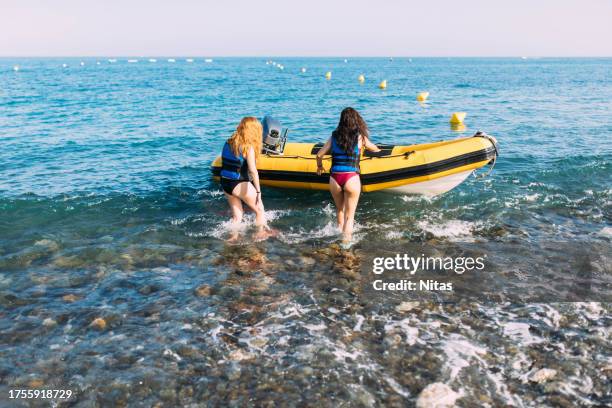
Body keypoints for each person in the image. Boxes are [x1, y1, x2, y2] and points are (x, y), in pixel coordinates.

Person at [316, 108, 381, 243]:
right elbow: (375, 149)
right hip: (351, 178)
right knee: (349, 217)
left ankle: (339, 235)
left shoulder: (334, 136)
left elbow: (319, 154)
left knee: (340, 210)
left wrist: (320, 166)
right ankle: (345, 245)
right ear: (355, 120)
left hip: (335, 178)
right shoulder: (360, 137)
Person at [220, 117, 268, 236]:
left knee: (237, 217)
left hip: (225, 183)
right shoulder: (248, 147)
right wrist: (258, 193)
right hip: (238, 183)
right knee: (259, 210)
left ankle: (232, 239)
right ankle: (260, 235)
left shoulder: (229, 142)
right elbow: (253, 171)